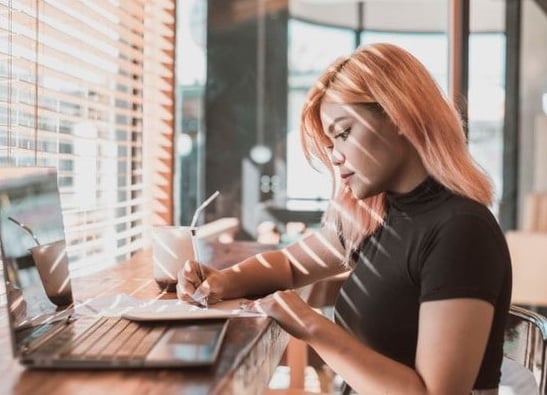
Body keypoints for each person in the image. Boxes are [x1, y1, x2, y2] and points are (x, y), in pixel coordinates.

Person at [177, 43, 512, 395]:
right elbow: (291, 265)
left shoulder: (461, 232)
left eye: (343, 133)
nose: (335, 157)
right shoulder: (375, 213)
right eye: (330, 142)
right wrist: (223, 281)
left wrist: (310, 324)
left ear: (399, 116)